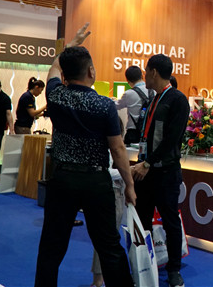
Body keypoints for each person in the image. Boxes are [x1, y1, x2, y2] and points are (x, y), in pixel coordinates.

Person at [34, 23, 136, 287]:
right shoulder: (104, 105)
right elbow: (117, 149)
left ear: (65, 74)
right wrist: (129, 184)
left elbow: (54, 67)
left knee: (51, 246)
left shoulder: (56, 95)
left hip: (62, 179)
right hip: (95, 181)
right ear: (91, 71)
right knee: (109, 245)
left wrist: (71, 45)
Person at [131, 54, 190, 287]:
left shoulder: (177, 100)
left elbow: (172, 139)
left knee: (170, 222)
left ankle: (174, 270)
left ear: (154, 72)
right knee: (142, 220)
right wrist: (143, 162)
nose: (144, 75)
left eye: (146, 71)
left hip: (166, 173)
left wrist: (147, 163)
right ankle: (145, 266)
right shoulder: (151, 100)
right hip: (145, 172)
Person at [114, 66, 153, 146]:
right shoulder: (153, 91)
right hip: (150, 132)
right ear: (142, 76)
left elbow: (116, 106)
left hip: (133, 133)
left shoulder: (129, 93)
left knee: (130, 153)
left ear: (128, 81)